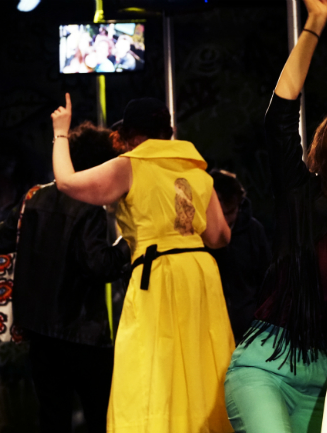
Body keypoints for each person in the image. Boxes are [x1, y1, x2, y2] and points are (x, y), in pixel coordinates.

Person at [222, 1, 327, 432]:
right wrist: (314, 23)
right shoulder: (301, 193)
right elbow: (279, 117)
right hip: (268, 368)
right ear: (326, 145)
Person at [50, 94, 235, 432]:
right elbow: (220, 236)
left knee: (151, 369)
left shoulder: (130, 165)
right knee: (199, 363)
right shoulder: (198, 172)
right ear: (169, 131)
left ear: (131, 136)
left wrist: (60, 131)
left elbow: (66, 182)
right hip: (199, 274)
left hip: (158, 273)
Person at [0, 121, 129, 433]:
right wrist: (129, 243)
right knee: (101, 417)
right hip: (83, 333)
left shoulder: (33, 198)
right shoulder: (89, 205)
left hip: (39, 331)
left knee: (52, 419)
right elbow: (98, 265)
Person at [209, 169, 271, 342]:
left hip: (248, 328)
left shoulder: (254, 230)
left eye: (231, 212)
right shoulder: (201, 234)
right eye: (222, 213)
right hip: (213, 327)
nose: (227, 220)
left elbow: (266, 278)